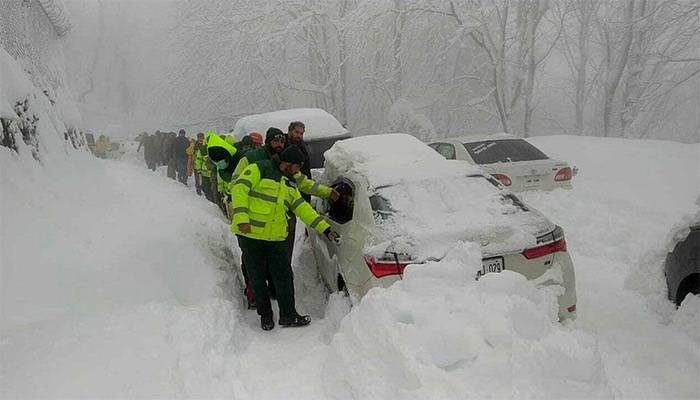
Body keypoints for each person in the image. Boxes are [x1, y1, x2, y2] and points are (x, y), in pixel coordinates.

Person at [232, 145, 341, 330]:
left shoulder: (289, 183)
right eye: (297, 166)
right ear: (289, 163)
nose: (298, 170)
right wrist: (242, 217)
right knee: (257, 278)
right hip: (250, 236)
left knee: (283, 277)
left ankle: (288, 315)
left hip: (276, 239)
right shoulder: (261, 168)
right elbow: (239, 188)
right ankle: (265, 316)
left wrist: (325, 228)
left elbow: (303, 208)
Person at [284, 121, 341, 262]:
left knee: (305, 212)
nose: (299, 136)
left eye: (302, 133)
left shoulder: (301, 146)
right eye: (297, 132)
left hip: (304, 185)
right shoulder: (286, 148)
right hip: (290, 195)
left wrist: (328, 192)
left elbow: (304, 183)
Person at [194, 133, 215, 201]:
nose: (201, 138)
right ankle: (209, 198)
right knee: (207, 187)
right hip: (206, 172)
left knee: (209, 187)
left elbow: (198, 160)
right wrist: (198, 169)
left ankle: (210, 198)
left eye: (202, 137)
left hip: (208, 172)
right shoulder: (202, 148)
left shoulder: (203, 148)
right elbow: (198, 159)